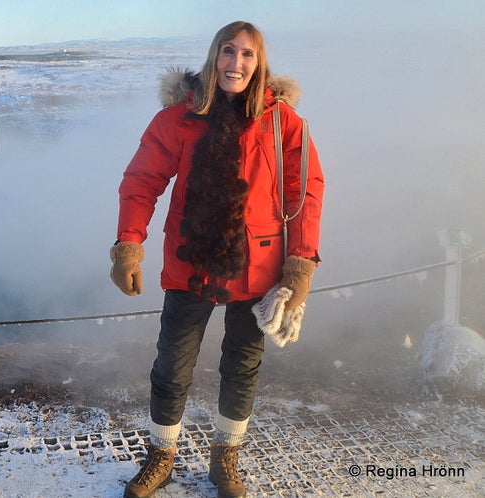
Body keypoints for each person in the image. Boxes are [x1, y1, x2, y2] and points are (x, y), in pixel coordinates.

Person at [110, 21, 324, 498]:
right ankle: (161, 456)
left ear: (259, 63)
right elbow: (142, 180)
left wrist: (301, 266)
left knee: (243, 364)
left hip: (261, 266)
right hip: (192, 259)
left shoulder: (281, 122)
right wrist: (128, 244)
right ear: (214, 57)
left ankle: (224, 457)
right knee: (172, 363)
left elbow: (305, 191)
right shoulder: (179, 118)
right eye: (229, 52)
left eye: (248, 54)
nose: (237, 63)